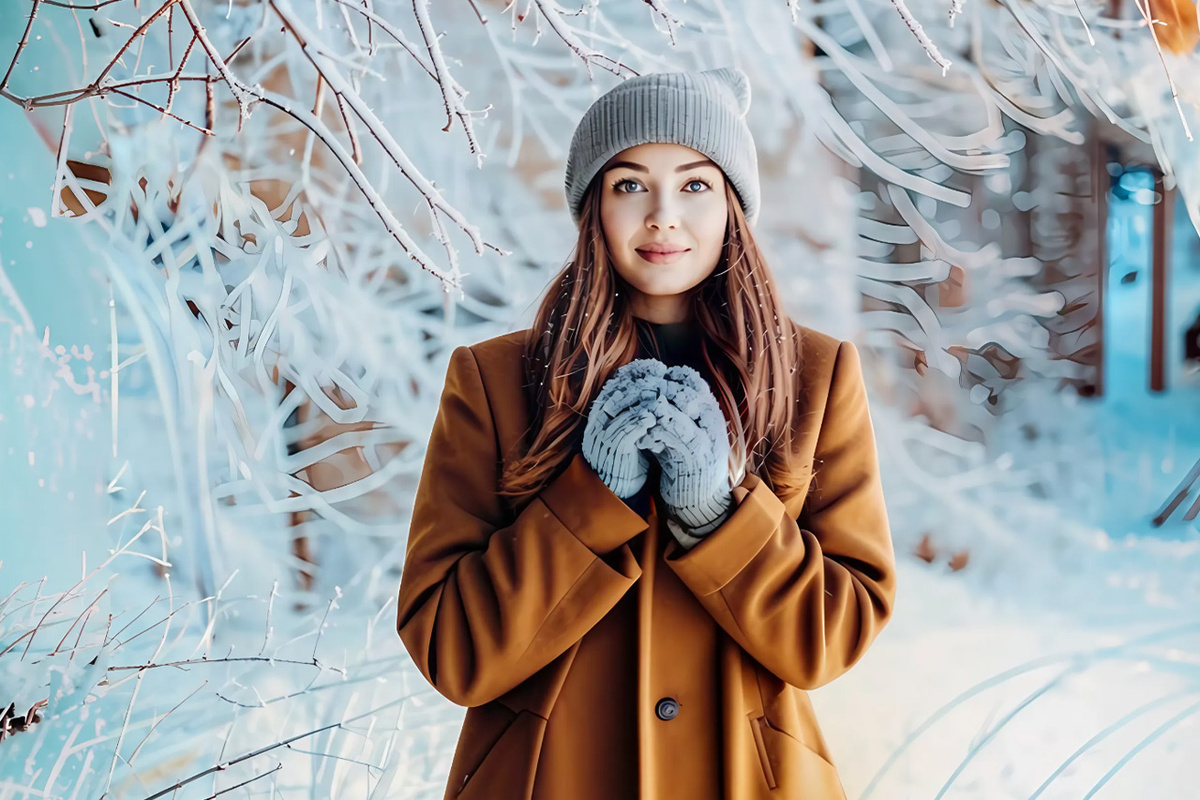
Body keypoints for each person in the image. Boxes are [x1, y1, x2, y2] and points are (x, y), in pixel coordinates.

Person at [396, 67, 897, 800]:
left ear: (733, 204)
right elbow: (452, 651)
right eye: (629, 185)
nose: (664, 216)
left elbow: (834, 634)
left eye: (695, 185)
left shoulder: (815, 377)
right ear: (592, 207)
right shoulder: (495, 381)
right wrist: (591, 499)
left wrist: (716, 517)